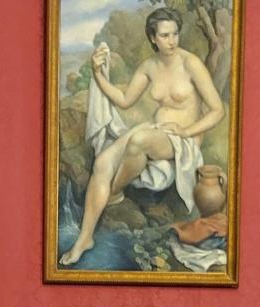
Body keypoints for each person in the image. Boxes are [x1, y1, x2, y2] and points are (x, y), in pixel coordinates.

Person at [58, 6, 226, 266]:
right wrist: (98, 74)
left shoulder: (190, 63)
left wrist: (187, 130)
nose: (172, 41)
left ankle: (114, 192)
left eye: (175, 34)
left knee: (137, 141)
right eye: (165, 36)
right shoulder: (149, 66)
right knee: (103, 161)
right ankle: (85, 238)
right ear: (153, 38)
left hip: (183, 140)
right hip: (155, 132)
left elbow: (217, 111)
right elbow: (124, 100)